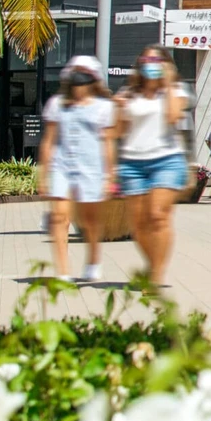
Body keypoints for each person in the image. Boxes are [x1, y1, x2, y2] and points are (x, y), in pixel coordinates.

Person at [39, 55, 115, 282]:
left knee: (89, 221)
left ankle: (93, 259)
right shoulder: (57, 105)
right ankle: (63, 270)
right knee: (60, 217)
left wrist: (110, 174)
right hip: (62, 166)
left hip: (92, 168)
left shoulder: (104, 107)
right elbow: (49, 140)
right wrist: (44, 174)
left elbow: (108, 143)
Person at [116, 46, 187, 287]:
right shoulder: (129, 92)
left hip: (166, 160)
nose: (151, 63)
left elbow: (173, 117)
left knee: (157, 216)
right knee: (139, 224)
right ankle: (152, 263)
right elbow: (118, 131)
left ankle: (156, 275)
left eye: (157, 59)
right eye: (146, 58)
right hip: (132, 162)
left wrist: (166, 85)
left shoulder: (176, 90)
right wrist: (117, 109)